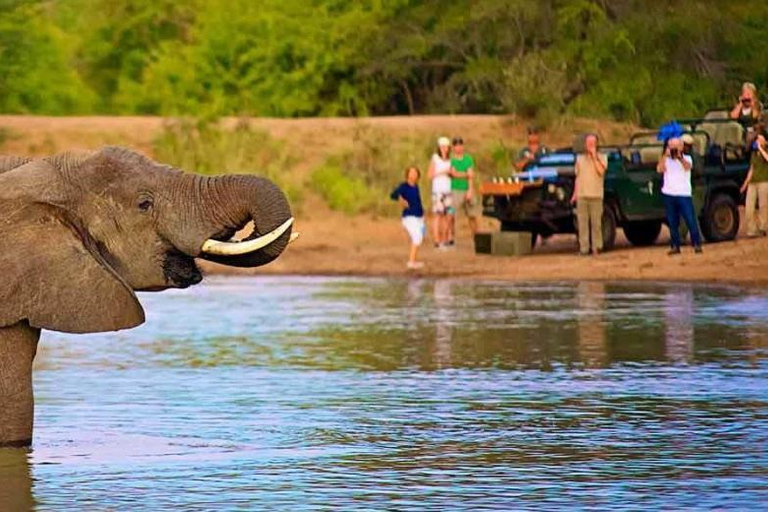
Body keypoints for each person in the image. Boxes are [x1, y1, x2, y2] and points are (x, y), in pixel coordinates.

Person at [657, 137, 703, 255]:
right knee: (672, 222)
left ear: (681, 147)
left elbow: (687, 166)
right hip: (669, 193)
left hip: (683, 193)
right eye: (671, 146)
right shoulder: (666, 159)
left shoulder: (687, 158)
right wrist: (664, 156)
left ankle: (696, 243)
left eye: (675, 147)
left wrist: (679, 157)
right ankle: (675, 245)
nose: (673, 149)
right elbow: (659, 169)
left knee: (690, 219)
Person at [571, 134, 607, 256]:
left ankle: (596, 247)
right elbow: (577, 177)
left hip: (596, 195)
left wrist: (594, 157)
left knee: (596, 223)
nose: (590, 145)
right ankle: (584, 248)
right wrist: (575, 194)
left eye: (592, 143)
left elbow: (601, 171)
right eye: (588, 143)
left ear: (596, 144)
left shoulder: (602, 157)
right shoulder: (580, 159)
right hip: (582, 195)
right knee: (582, 224)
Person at [391, 166, 426, 269]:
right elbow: (393, 195)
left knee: (419, 237)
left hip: (418, 216)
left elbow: (418, 202)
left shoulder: (416, 186)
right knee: (417, 237)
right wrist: (401, 200)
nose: (413, 175)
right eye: (411, 173)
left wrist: (423, 214)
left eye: (415, 173)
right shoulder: (404, 186)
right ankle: (411, 261)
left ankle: (413, 260)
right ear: (407, 174)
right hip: (409, 217)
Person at [448, 136, 479, 243]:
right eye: (456, 145)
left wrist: (470, 190)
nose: (459, 148)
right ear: (453, 147)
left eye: (460, 145)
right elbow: (453, 173)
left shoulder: (468, 158)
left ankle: (476, 236)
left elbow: (471, 175)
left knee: (472, 215)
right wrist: (466, 174)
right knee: (451, 214)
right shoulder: (451, 159)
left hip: (467, 188)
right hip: (455, 189)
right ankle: (451, 236)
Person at [740, 127, 768, 238]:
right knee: (749, 207)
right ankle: (752, 229)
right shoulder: (754, 153)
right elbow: (751, 169)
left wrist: (761, 149)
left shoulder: (764, 150)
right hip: (753, 182)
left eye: (760, 138)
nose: (757, 141)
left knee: (763, 206)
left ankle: (763, 227)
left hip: (764, 181)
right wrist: (745, 184)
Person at [428, 137, 453, 249]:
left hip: (448, 189)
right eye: (442, 147)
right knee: (438, 215)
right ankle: (436, 239)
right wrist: (443, 172)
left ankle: (445, 238)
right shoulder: (435, 158)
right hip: (438, 190)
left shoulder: (450, 160)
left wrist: (451, 173)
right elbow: (430, 175)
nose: (444, 149)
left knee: (447, 216)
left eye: (446, 147)